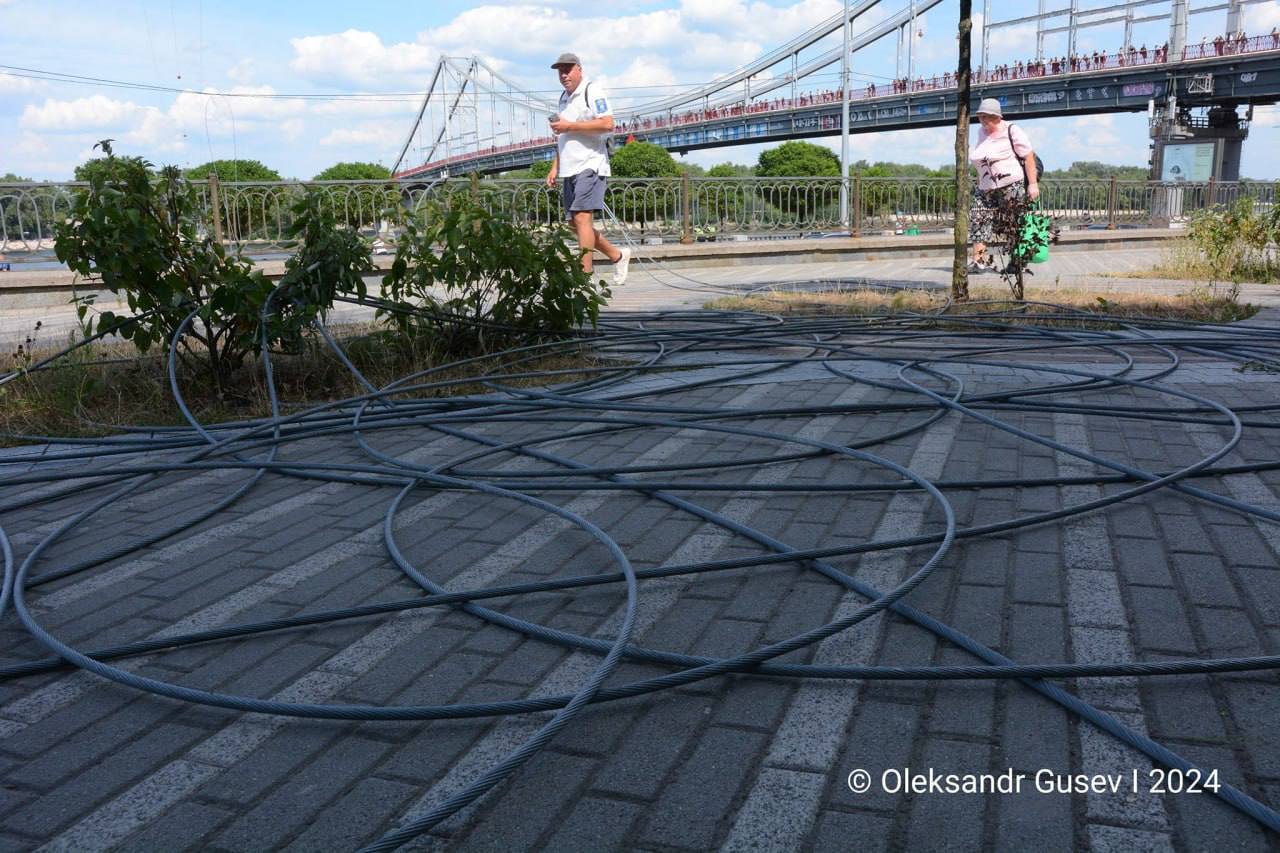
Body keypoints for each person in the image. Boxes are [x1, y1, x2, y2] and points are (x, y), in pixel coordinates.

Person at [545, 52, 631, 285]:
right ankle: (618, 256)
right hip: (569, 167)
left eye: (568, 69)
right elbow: (564, 137)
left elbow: (608, 123)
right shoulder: (563, 98)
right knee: (574, 223)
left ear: (579, 69)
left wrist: (569, 125)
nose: (564, 75)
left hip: (590, 163)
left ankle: (585, 275)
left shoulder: (591, 91)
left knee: (583, 217)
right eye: (560, 71)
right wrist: (555, 167)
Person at [967, 98, 1040, 274]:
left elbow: (1028, 157)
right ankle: (979, 260)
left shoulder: (1012, 130)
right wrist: (979, 182)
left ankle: (1016, 262)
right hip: (985, 187)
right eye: (980, 117)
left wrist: (1032, 184)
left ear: (997, 117)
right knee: (978, 220)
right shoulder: (981, 133)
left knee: (1012, 223)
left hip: (1010, 185)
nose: (983, 121)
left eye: (987, 117)